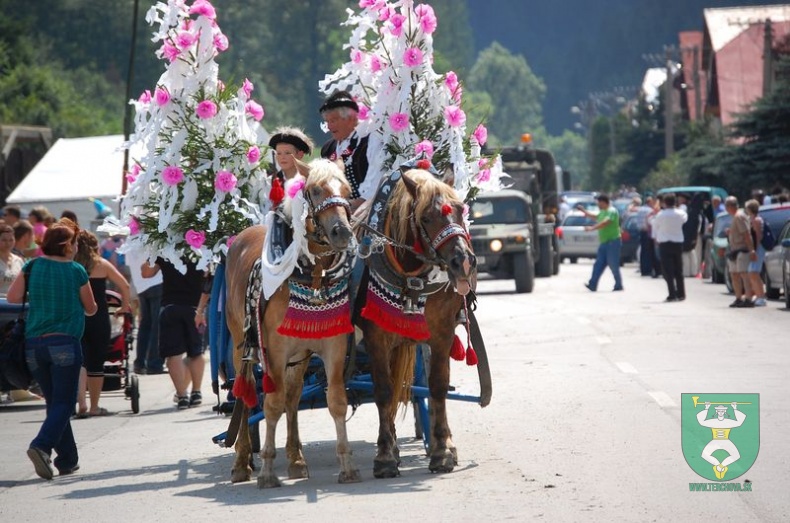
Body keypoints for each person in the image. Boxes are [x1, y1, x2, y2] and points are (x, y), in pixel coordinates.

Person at [6, 218, 98, 480]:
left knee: (55, 402)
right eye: (75, 243)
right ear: (67, 246)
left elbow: (13, 298)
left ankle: (67, 459)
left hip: (34, 345)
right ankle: (41, 445)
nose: (77, 247)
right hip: (65, 343)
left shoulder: (32, 266)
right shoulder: (76, 271)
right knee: (65, 403)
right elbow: (90, 308)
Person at [73, 230, 132, 417]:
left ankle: (81, 402)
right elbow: (125, 285)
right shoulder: (102, 264)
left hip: (78, 317)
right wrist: (123, 306)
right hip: (99, 318)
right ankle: (94, 406)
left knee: (80, 361)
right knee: (97, 362)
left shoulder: (73, 265)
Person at [141, 257, 205, 409]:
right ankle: (196, 392)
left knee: (173, 355)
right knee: (195, 353)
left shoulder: (164, 250)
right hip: (195, 308)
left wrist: (150, 253)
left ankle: (182, 395)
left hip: (170, 307)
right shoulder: (201, 248)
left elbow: (146, 273)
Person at [319, 90, 369, 211]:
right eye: (328, 122)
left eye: (333, 121)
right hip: (334, 212)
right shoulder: (328, 149)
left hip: (364, 212)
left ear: (351, 118)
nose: (330, 126)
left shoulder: (366, 143)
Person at [125, 247, 164, 374]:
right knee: (156, 327)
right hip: (157, 283)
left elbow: (130, 266)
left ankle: (140, 362)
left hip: (141, 286)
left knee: (145, 325)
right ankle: (154, 363)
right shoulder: (149, 239)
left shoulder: (130, 241)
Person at [578, 194, 624, 292]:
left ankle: (618, 284)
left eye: (599, 203)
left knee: (613, 264)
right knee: (598, 264)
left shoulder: (612, 211)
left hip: (613, 242)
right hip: (604, 243)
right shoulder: (603, 212)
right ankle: (592, 284)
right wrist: (584, 211)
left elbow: (605, 222)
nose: (598, 205)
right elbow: (596, 217)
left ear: (604, 202)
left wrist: (592, 228)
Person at [651, 193, 688, 302]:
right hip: (677, 243)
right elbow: (685, 219)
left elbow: (655, 226)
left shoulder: (661, 215)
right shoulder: (680, 213)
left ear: (664, 203)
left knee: (667, 270)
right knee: (679, 270)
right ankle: (681, 293)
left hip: (665, 243)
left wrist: (656, 238)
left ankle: (672, 293)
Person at [724, 196, 757, 308]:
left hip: (742, 249)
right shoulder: (735, 217)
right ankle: (738, 297)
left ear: (730, 206)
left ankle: (748, 298)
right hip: (735, 250)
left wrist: (751, 250)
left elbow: (746, 234)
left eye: (726, 206)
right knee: (734, 274)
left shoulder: (739, 216)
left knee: (744, 274)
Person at [744, 199, 767, 307]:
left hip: (758, 248)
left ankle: (761, 297)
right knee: (752, 272)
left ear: (750, 209)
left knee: (754, 272)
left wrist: (755, 250)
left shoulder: (757, 220)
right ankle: (758, 295)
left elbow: (758, 236)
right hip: (754, 248)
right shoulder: (751, 219)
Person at [0, 224, 24, 297]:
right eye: (4, 240)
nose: (8, 243)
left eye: (11, 240)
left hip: (14, 304)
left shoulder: (18, 260)